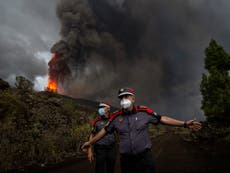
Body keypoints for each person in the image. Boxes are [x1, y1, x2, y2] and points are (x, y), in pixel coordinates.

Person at [82, 88, 202, 173]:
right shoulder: (115, 117)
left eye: (126, 96)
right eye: (121, 98)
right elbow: (104, 131)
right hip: (126, 160)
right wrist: (90, 143)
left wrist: (185, 124)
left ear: (133, 99)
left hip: (144, 158)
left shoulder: (144, 112)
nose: (123, 99)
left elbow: (162, 119)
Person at [87, 102, 116, 173]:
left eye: (102, 107)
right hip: (100, 149)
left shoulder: (113, 120)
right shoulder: (96, 121)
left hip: (111, 148)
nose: (100, 109)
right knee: (99, 169)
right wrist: (89, 150)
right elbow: (92, 135)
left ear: (108, 109)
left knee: (111, 168)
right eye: (100, 107)